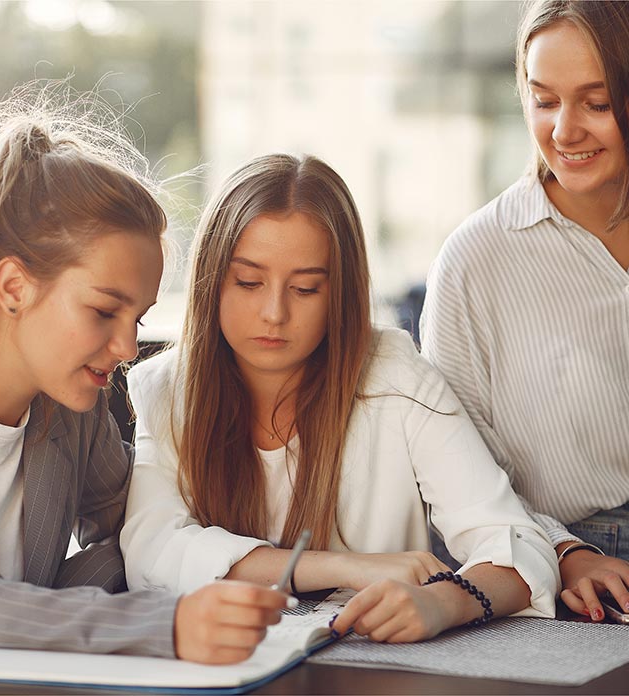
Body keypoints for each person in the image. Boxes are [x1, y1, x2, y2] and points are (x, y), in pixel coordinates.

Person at [121, 152, 560, 644]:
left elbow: (519, 547)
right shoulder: (165, 389)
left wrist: (441, 601)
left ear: (340, 294)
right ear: (210, 281)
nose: (274, 312)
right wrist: (347, 568)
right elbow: (152, 552)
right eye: (248, 282)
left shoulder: (394, 376)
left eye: (306, 288)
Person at [0, 83, 289, 669]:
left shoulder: (72, 413)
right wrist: (159, 625)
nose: (126, 347)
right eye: (103, 311)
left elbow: (140, 536)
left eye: (139, 318)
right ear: (14, 286)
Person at [420, 0, 629, 623]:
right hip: (577, 561)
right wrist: (565, 552)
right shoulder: (476, 261)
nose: (565, 131)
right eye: (544, 100)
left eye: (596, 103)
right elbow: (456, 473)